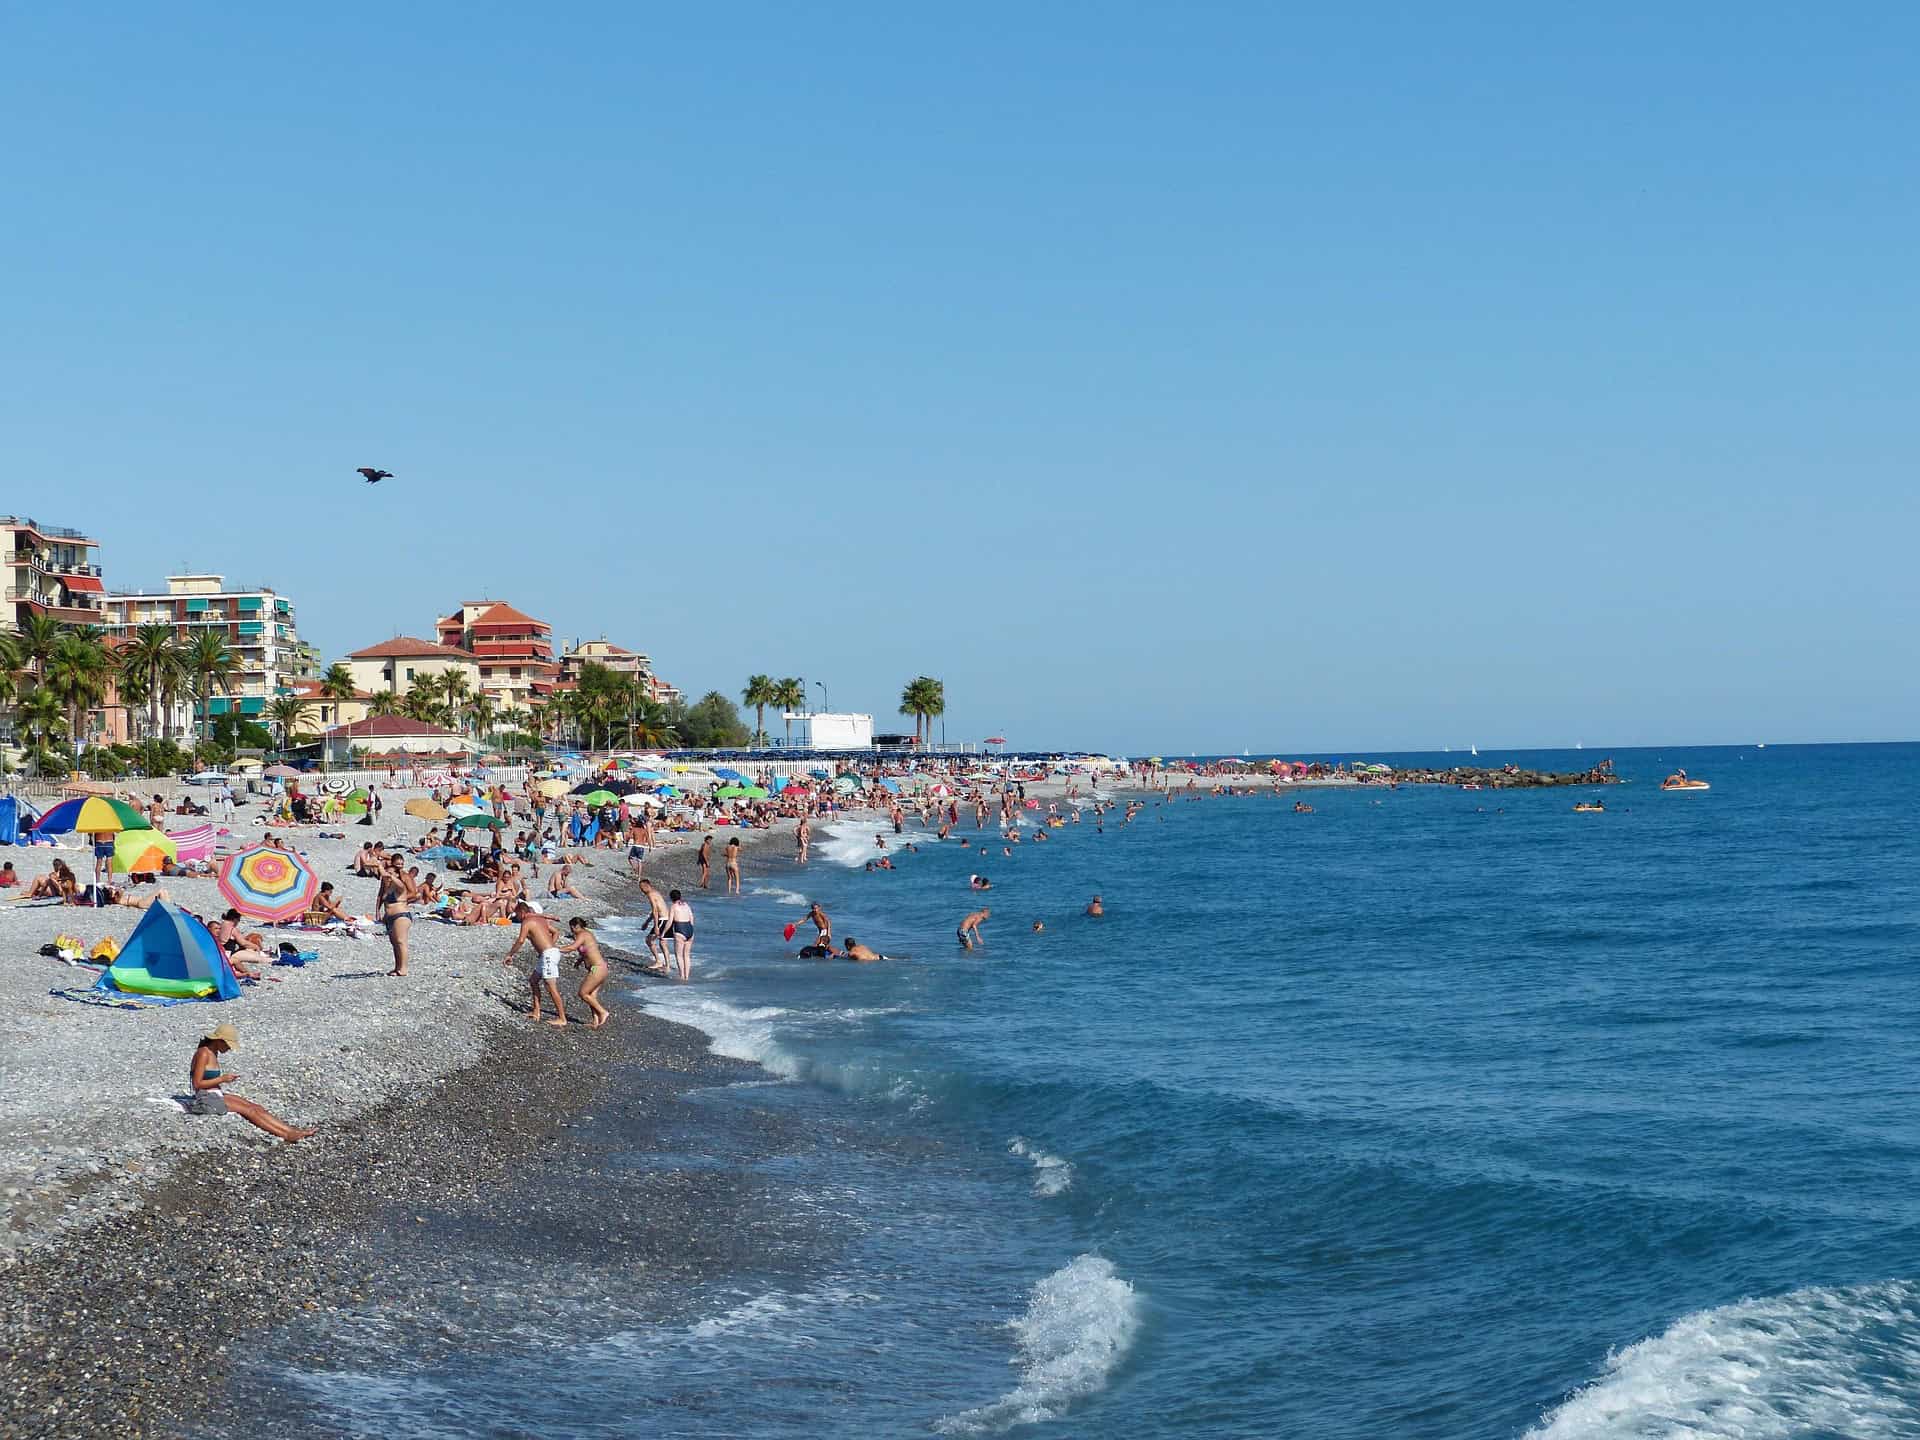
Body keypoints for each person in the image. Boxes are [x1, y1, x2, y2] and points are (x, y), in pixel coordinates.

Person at [187, 1024, 315, 1142]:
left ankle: (291, 1130)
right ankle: (287, 1135)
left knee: (255, 1107)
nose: (228, 1048)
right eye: (227, 1044)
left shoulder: (212, 1051)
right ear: (218, 1040)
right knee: (249, 1110)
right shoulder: (204, 1053)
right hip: (206, 1097)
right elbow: (197, 1084)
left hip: (214, 1093)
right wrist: (222, 1079)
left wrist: (222, 1081)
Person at [502, 901, 568, 1026]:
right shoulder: (540, 919)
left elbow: (521, 940)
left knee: (550, 987)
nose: (518, 918)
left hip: (548, 955)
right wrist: (550, 946)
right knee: (533, 981)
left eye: (517, 914)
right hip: (548, 954)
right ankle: (536, 1011)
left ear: (522, 912)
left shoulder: (527, 922)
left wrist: (510, 954)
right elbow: (555, 932)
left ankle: (562, 1018)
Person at [376, 864, 412, 977]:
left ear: (397, 875)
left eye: (392, 873)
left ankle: (404, 969)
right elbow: (382, 900)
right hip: (390, 917)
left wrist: (389, 874)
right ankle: (397, 967)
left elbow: (395, 880)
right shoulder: (387, 887)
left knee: (401, 942)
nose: (388, 876)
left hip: (401, 916)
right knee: (395, 943)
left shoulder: (400, 886)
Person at [637, 877, 671, 975]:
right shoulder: (655, 893)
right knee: (662, 942)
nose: (642, 890)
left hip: (662, 920)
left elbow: (656, 911)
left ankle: (660, 962)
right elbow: (655, 911)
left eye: (642, 888)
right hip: (666, 919)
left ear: (647, 886)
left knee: (649, 940)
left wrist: (656, 926)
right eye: (640, 888)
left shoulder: (651, 894)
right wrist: (647, 922)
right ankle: (666, 965)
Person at [667, 888, 695, 982]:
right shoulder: (686, 905)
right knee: (687, 955)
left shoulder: (673, 907)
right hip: (689, 929)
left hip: (680, 929)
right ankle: (687, 976)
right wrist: (691, 929)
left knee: (679, 955)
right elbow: (692, 918)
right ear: (680, 896)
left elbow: (670, 922)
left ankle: (682, 976)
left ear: (671, 898)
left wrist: (663, 932)